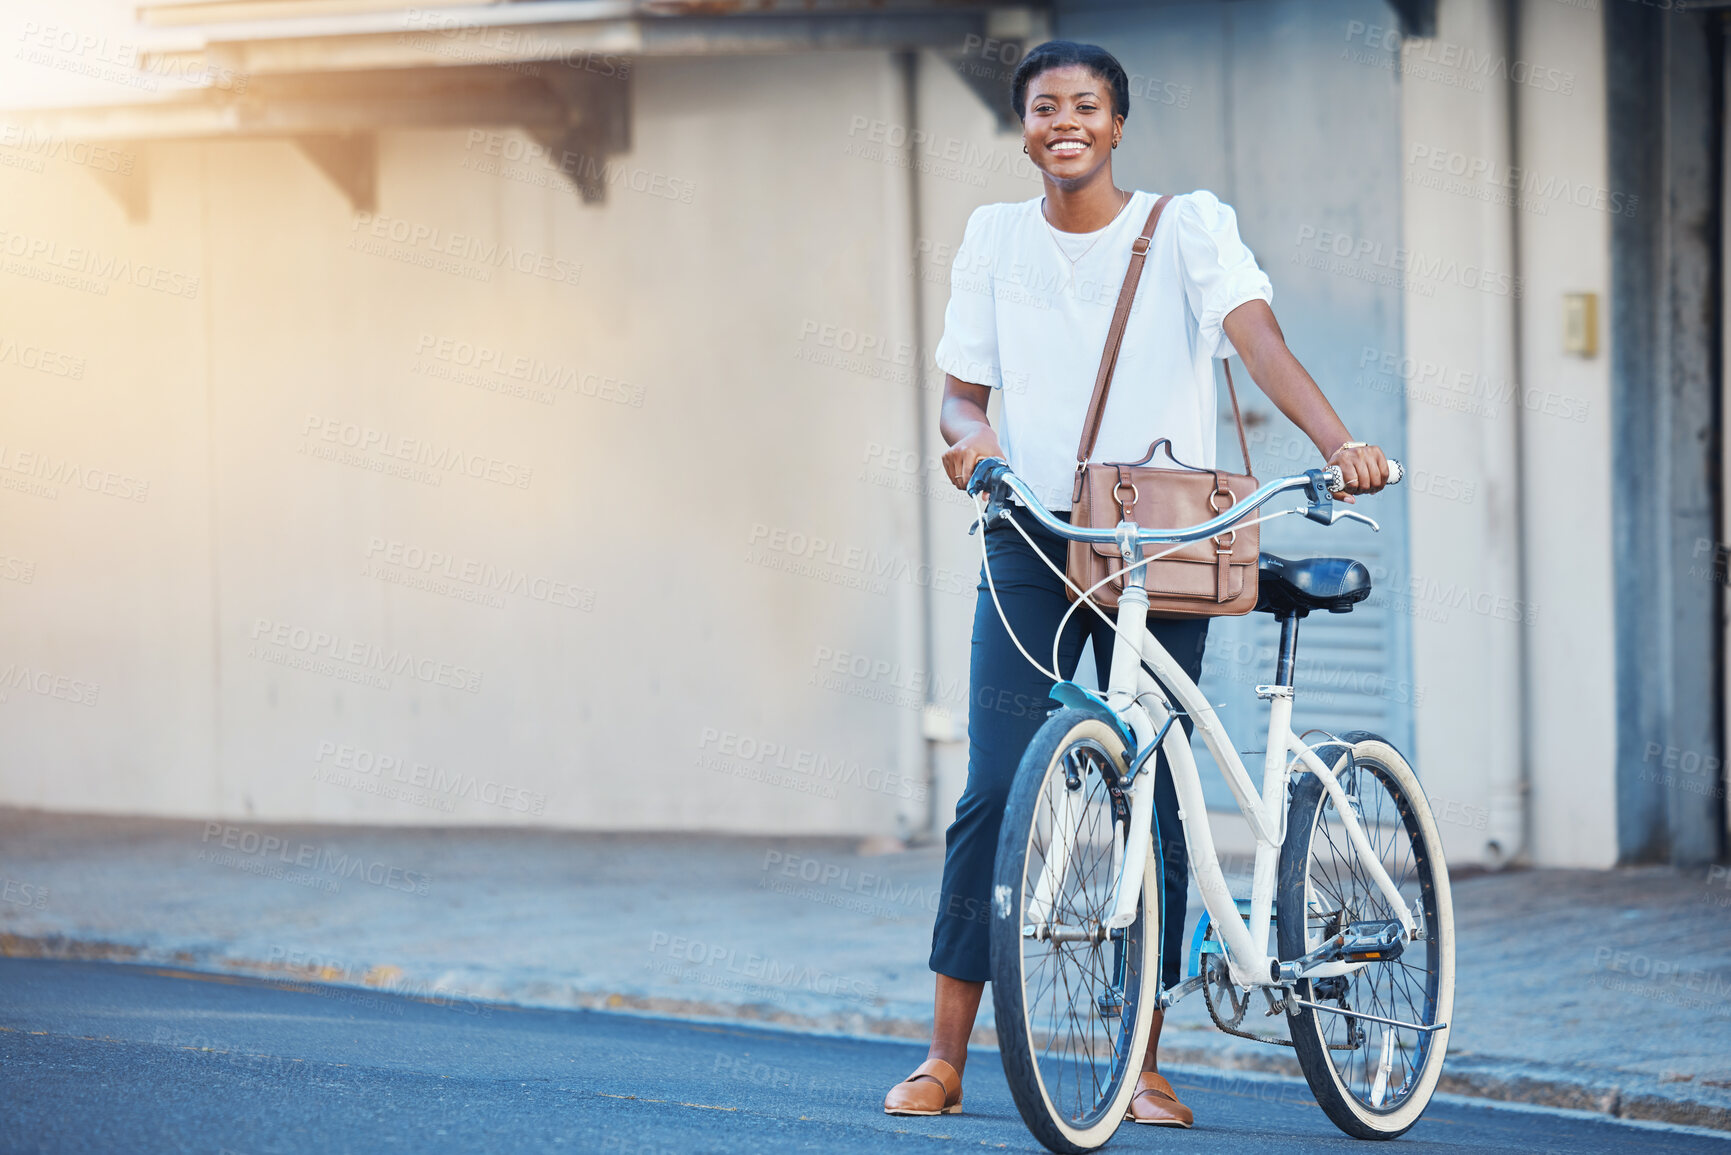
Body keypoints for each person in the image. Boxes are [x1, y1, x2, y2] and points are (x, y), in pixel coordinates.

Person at [880, 40, 1392, 1128]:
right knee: (993, 789)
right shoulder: (994, 238)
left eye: (1086, 105)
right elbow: (960, 399)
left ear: (1117, 126)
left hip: (1163, 535)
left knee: (1151, 783)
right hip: (1034, 526)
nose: (1065, 120)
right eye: (1044, 106)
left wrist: (1342, 442)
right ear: (1024, 128)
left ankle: (1143, 1062)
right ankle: (943, 1054)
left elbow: (1259, 342)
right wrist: (973, 447)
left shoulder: (1187, 227)